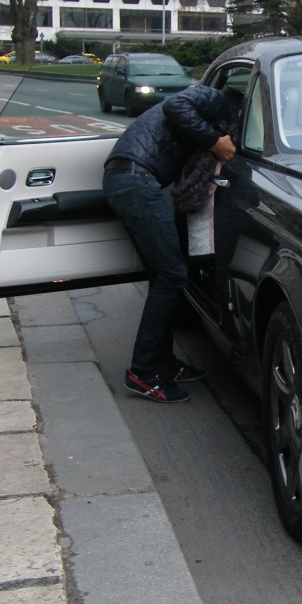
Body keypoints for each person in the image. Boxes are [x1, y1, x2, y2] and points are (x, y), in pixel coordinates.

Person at [103, 84, 242, 403]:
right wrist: (213, 141)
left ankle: (163, 362)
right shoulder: (215, 98)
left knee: (162, 276)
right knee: (172, 275)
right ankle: (142, 371)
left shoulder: (213, 108)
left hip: (131, 179)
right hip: (135, 181)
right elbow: (176, 106)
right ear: (238, 109)